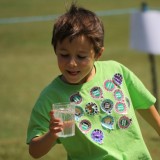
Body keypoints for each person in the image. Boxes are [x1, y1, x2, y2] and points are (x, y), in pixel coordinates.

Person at [26, 3, 160, 160]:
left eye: (81, 57)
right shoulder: (52, 96)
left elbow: (143, 103)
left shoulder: (116, 72)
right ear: (55, 50)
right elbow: (34, 151)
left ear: (98, 54)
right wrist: (52, 134)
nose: (72, 63)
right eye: (64, 54)